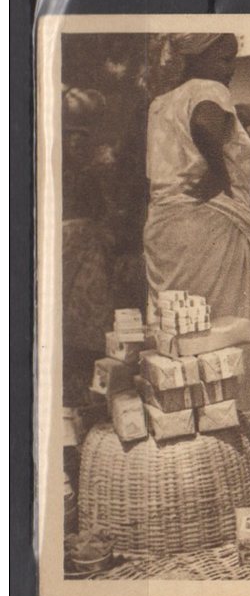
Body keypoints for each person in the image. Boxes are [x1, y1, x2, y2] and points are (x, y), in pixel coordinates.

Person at [144, 33, 250, 423]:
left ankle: (174, 415)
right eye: (223, 59)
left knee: (174, 325)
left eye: (231, 60)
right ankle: (228, 416)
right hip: (206, 222)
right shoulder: (209, 89)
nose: (230, 69)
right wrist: (219, 174)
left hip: (165, 225)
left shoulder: (160, 103)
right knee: (221, 324)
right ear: (197, 59)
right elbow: (205, 124)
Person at [62, 87, 113, 406]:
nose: (77, 142)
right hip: (70, 237)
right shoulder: (65, 161)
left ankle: (83, 370)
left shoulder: (93, 164)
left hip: (87, 239)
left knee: (86, 304)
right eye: (72, 136)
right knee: (70, 302)